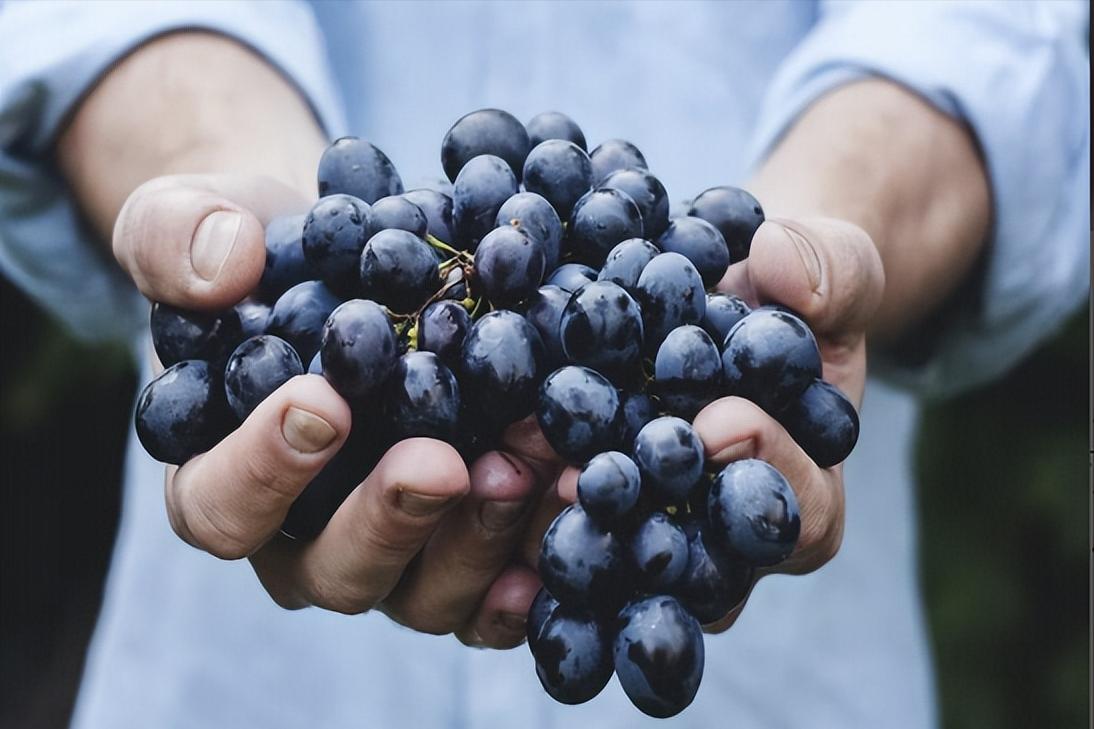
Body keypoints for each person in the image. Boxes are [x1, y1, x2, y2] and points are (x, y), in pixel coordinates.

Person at [0, 2, 1088, 727]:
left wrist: (822, 236)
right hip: (245, 669)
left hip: (769, 634)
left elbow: (982, 35)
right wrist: (213, 184)